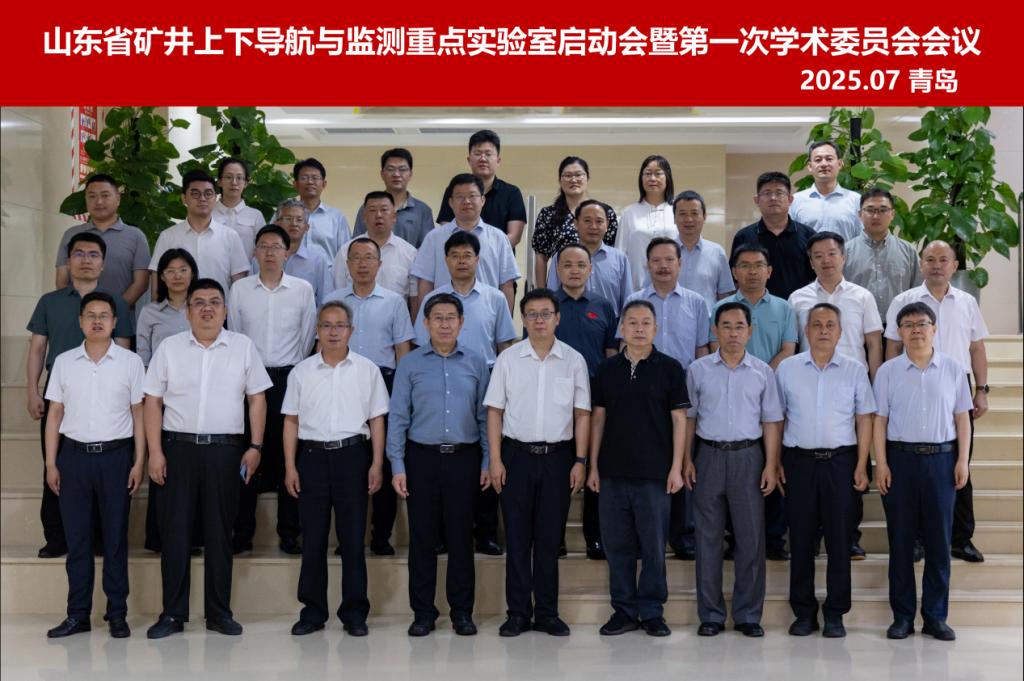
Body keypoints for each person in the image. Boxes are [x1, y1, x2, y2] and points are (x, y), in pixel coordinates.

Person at [143, 278, 272, 639]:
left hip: (225, 451)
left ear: (225, 311)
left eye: (215, 302)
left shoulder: (242, 347)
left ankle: (219, 613)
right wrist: (155, 451)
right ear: (187, 312)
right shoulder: (169, 348)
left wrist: (256, 446)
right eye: (198, 302)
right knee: (175, 534)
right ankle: (172, 614)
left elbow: (257, 399)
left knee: (219, 533)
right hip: (177, 449)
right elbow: (152, 400)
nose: (207, 309)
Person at [486, 288, 591, 637]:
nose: (540, 320)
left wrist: (580, 460)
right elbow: (494, 411)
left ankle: (546, 613)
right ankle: (517, 613)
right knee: (517, 539)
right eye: (532, 314)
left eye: (546, 313)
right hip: (515, 457)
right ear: (524, 319)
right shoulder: (508, 359)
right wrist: (495, 460)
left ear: (557, 318)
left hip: (558, 459)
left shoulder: (574, 360)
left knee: (549, 539)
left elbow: (582, 414)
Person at [43, 291, 146, 640]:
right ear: (81, 321)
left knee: (115, 538)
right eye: (91, 315)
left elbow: (138, 413)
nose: (97, 321)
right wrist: (51, 463)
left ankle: (117, 614)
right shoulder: (64, 362)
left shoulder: (131, 362)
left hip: (116, 458)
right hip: (72, 458)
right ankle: (77, 615)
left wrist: (139, 461)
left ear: (115, 322)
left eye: (104, 315)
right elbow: (54, 414)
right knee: (78, 539)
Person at [387, 293, 492, 637]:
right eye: (438, 318)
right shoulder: (410, 364)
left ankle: (462, 612)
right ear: (426, 323)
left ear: (461, 323)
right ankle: (423, 613)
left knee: (461, 537)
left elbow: (484, 417)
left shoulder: (476, 362)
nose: (444, 324)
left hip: (464, 458)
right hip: (422, 458)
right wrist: (397, 464)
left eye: (451, 318)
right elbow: (398, 417)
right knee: (422, 538)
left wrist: (488, 460)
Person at [282, 301, 389, 637]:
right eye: (326, 325)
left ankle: (355, 613)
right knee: (313, 538)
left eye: (340, 325)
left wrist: (376, 463)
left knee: (353, 539)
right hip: (312, 458)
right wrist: (290, 466)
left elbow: (377, 419)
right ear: (317, 330)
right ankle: (312, 612)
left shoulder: (367, 370)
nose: (333, 332)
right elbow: (291, 421)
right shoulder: (301, 372)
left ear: (351, 331)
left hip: (353, 457)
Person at [27, 232, 133, 559]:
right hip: (60, 393)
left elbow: (124, 350)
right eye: (79, 253)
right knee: (56, 464)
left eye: (93, 254)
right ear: (68, 261)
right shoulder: (50, 301)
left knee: (100, 473)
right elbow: (37, 349)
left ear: (103, 263)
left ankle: (99, 538)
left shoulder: (116, 304)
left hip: (106, 396)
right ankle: (57, 536)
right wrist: (32, 390)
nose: (86, 260)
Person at [884, 240, 989, 563]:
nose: (937, 265)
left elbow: (976, 348)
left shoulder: (967, 302)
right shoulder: (904, 301)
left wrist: (982, 389)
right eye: (930, 259)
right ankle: (916, 539)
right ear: (921, 264)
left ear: (955, 266)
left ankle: (960, 538)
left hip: (954, 387)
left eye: (944, 260)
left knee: (959, 464)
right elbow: (892, 348)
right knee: (913, 472)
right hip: (910, 383)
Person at [683, 302, 783, 638]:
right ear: (715, 330)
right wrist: (686, 459)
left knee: (751, 538)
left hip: (748, 458)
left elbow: (771, 421)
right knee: (707, 538)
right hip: (708, 456)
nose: (732, 333)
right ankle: (710, 615)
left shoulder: (762, 372)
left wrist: (771, 464)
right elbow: (689, 419)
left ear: (750, 331)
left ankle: (748, 615)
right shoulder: (698, 370)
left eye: (739, 326)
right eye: (725, 326)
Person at [588, 300, 688, 637]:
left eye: (646, 323)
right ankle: (624, 610)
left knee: (654, 548)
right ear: (622, 329)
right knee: (618, 547)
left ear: (656, 329)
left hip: (654, 475)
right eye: (632, 322)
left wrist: (676, 468)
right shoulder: (606, 369)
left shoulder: (670, 368)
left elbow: (679, 420)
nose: (639, 329)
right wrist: (593, 466)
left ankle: (652, 611)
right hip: (612, 473)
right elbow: (597, 420)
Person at [874, 302, 972, 642]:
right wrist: (881, 463)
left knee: (939, 543)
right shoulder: (887, 372)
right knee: (901, 541)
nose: (916, 329)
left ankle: (935, 617)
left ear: (934, 329)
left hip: (941, 462)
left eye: (922, 323)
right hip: (900, 461)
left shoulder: (954, 369)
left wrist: (963, 460)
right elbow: (880, 420)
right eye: (909, 324)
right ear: (899, 332)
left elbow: (962, 418)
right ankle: (902, 617)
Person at [776, 303, 876, 638]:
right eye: (816, 324)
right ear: (806, 330)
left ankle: (835, 613)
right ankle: (803, 612)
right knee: (801, 539)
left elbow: (864, 418)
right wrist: (774, 462)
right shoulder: (788, 369)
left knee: (839, 540)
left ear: (840, 332)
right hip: (798, 462)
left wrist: (861, 464)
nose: (822, 330)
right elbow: (777, 419)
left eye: (830, 325)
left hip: (841, 463)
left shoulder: (855, 370)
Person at [227, 225, 317, 555]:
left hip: (288, 378)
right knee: (248, 452)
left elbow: (307, 337)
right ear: (254, 252)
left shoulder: (303, 290)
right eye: (263, 246)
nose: (269, 252)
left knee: (289, 455)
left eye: (276, 246)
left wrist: (292, 372)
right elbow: (235, 333)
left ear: (287, 252)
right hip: (250, 380)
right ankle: (242, 532)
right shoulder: (240, 290)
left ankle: (290, 532)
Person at [325, 236, 416, 555]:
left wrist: (403, 395)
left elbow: (403, 350)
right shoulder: (333, 300)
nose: (362, 264)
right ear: (347, 264)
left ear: (380, 264)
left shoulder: (394, 302)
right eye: (356, 258)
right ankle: (349, 537)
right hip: (341, 383)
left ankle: (381, 535)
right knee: (349, 462)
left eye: (369, 258)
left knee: (385, 459)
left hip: (384, 383)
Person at [710, 243, 798, 562]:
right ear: (734, 272)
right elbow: (714, 346)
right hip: (731, 396)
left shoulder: (784, 308)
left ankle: (773, 537)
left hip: (774, 393)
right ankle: (735, 538)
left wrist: (762, 376)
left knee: (771, 463)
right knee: (737, 470)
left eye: (758, 265)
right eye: (744, 266)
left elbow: (789, 348)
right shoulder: (721, 307)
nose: (752, 272)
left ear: (769, 271)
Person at [552, 243, 620, 559]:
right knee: (559, 466)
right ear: (557, 269)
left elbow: (611, 354)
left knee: (594, 465)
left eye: (581, 265)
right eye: (567, 264)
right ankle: (555, 537)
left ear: (590, 269)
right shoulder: (548, 304)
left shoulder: (604, 306)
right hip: (555, 397)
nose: (574, 270)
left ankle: (595, 537)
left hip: (594, 397)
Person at [137, 248, 198, 554]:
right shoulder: (150, 312)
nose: (177, 276)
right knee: (162, 467)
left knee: (193, 472)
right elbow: (143, 356)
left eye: (183, 269)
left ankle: (193, 537)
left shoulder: (202, 308)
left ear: (192, 273)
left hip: (197, 399)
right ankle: (160, 537)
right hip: (160, 399)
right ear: (161, 277)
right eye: (170, 271)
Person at [414, 173, 520, 313]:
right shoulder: (434, 238)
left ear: (482, 200)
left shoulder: (498, 238)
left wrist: (503, 321)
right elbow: (425, 283)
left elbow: (506, 284)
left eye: (472, 196)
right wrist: (426, 317)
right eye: (460, 197)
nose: (467, 201)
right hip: (444, 320)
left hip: (486, 317)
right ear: (451, 202)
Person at [414, 231, 517, 370]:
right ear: (446, 260)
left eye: (467, 255)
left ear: (477, 259)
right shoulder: (432, 300)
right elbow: (421, 346)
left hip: (486, 373)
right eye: (455, 256)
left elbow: (505, 346)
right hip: (441, 372)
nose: (461, 261)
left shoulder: (496, 298)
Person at [790, 232, 883, 380]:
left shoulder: (863, 296)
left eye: (832, 254)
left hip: (853, 378)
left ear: (843, 257)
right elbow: (791, 344)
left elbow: (874, 344)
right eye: (818, 256)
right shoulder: (797, 299)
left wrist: (876, 384)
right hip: (809, 378)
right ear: (811, 263)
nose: (826, 260)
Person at [55, 173, 150, 308]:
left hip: (121, 317)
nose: (99, 202)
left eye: (105, 195)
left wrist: (113, 312)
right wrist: (81, 312)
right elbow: (62, 282)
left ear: (118, 198)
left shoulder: (136, 236)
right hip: (76, 315)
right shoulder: (71, 235)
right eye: (92, 196)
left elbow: (141, 283)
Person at [149, 169, 250, 293]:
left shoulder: (230, 236)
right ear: (184, 198)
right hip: (178, 305)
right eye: (195, 194)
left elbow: (239, 284)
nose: (202, 198)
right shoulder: (168, 236)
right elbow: (157, 278)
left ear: (215, 198)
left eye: (208, 193)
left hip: (219, 305)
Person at [531, 156, 619, 286]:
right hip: (560, 283)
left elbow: (612, 251)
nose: (573, 180)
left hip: (599, 281)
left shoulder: (604, 212)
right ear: (560, 180)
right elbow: (541, 257)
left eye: (578, 175)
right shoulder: (548, 214)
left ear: (587, 178)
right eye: (567, 175)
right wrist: (542, 291)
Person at [731, 171, 816, 301]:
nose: (773, 198)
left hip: (799, 307)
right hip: (756, 307)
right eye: (767, 193)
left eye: (779, 193)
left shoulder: (808, 235)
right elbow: (735, 279)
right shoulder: (743, 237)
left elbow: (816, 276)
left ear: (790, 199)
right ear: (757, 200)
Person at [436, 129, 527, 249]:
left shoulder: (512, 193)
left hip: (499, 258)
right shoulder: (453, 190)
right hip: (460, 257)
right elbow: (446, 229)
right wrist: (467, 254)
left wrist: (484, 253)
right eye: (478, 153)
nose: (483, 158)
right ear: (469, 160)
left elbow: (514, 236)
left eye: (488, 154)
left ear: (498, 160)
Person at [335, 192, 418, 316]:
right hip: (353, 323)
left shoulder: (410, 253)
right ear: (364, 217)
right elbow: (337, 292)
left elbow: (414, 298)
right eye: (372, 210)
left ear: (394, 216)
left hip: (395, 323)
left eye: (384, 210)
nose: (378, 215)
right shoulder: (346, 251)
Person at [843, 188, 921, 319]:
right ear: (860, 214)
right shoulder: (845, 251)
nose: (876, 216)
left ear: (892, 214)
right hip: (858, 325)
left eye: (883, 210)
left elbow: (918, 290)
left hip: (899, 325)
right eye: (870, 210)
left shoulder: (908, 251)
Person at [546, 200, 633, 311]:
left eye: (599, 221)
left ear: (607, 225)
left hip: (610, 321)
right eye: (587, 221)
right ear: (576, 224)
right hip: (570, 319)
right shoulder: (561, 256)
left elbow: (628, 302)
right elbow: (552, 298)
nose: (593, 226)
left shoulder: (620, 259)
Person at [659, 190, 734, 314]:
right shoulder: (662, 252)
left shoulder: (717, 252)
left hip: (707, 323)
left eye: (694, 213)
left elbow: (724, 296)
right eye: (682, 214)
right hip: (670, 322)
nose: (689, 219)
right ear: (674, 218)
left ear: (704, 217)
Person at [352, 148, 435, 248]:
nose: (396, 174)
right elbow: (357, 244)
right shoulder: (368, 207)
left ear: (410, 174)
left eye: (402, 169)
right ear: (382, 174)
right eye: (390, 169)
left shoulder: (423, 210)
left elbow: (427, 248)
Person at [615, 155, 677, 289]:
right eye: (647, 174)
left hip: (673, 288)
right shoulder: (629, 212)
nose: (652, 178)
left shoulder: (676, 210)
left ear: (667, 177)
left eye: (658, 173)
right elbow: (620, 255)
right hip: (637, 289)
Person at [790, 140, 862, 241]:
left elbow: (862, 239)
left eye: (829, 159)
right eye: (818, 160)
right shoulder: (795, 201)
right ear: (810, 166)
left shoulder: (856, 200)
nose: (824, 164)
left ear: (840, 164)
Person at [266, 198, 334, 306]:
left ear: (306, 227)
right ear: (276, 224)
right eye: (288, 219)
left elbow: (326, 301)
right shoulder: (262, 258)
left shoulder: (317, 262)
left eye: (299, 220)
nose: (294, 223)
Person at [293, 158, 351, 265]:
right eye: (304, 178)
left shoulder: (337, 217)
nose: (310, 182)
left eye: (315, 178)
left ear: (324, 184)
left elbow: (346, 254)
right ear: (295, 184)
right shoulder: (283, 215)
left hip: (327, 274)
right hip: (291, 273)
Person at [213, 157, 266, 260]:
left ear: (246, 183)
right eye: (228, 177)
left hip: (246, 270)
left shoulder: (256, 216)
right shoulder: (208, 214)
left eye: (239, 177)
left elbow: (263, 249)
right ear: (219, 181)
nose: (234, 182)